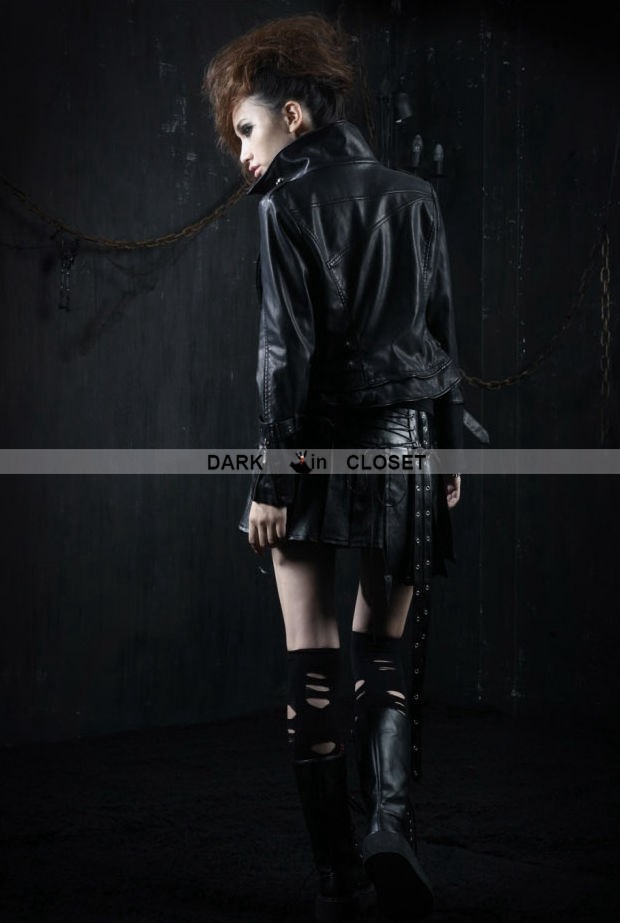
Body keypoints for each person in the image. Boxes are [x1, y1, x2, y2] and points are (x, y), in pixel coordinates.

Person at [204, 13, 463, 922]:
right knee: (385, 659)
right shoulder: (415, 196)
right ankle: (390, 829)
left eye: (247, 129)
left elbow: (286, 356)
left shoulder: (285, 203)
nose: (243, 155)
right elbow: (440, 337)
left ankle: (338, 879)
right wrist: (448, 449)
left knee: (313, 665)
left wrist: (272, 482)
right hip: (405, 444)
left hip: (313, 447)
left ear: (294, 117)